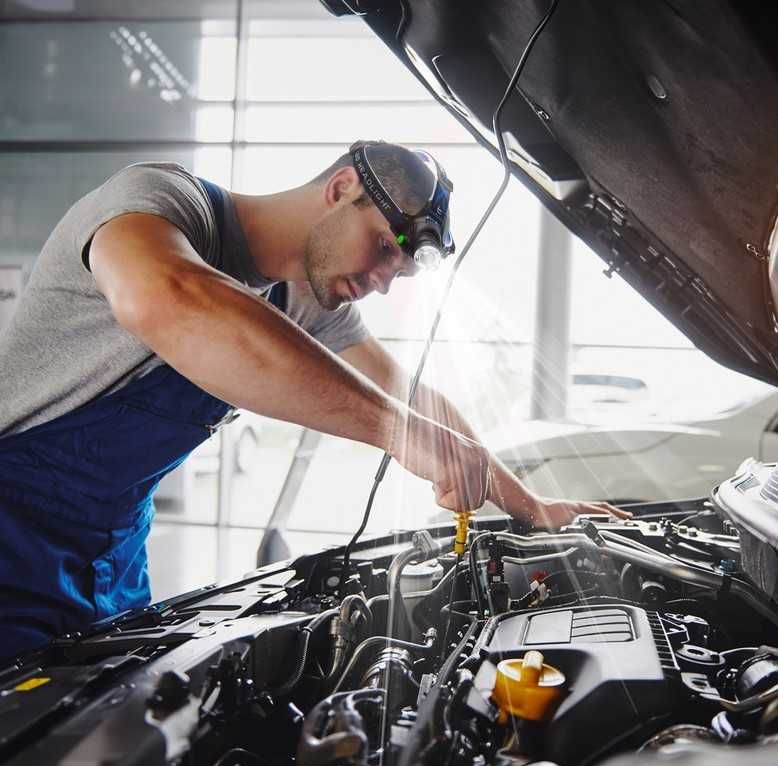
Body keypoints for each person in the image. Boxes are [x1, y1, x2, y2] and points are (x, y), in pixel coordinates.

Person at [0, 140, 627, 661]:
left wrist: (532, 506)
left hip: (110, 551)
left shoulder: (299, 299)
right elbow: (163, 296)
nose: (382, 283)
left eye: (398, 273)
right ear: (342, 187)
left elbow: (411, 396)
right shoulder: (160, 201)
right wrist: (399, 433)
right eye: (385, 249)